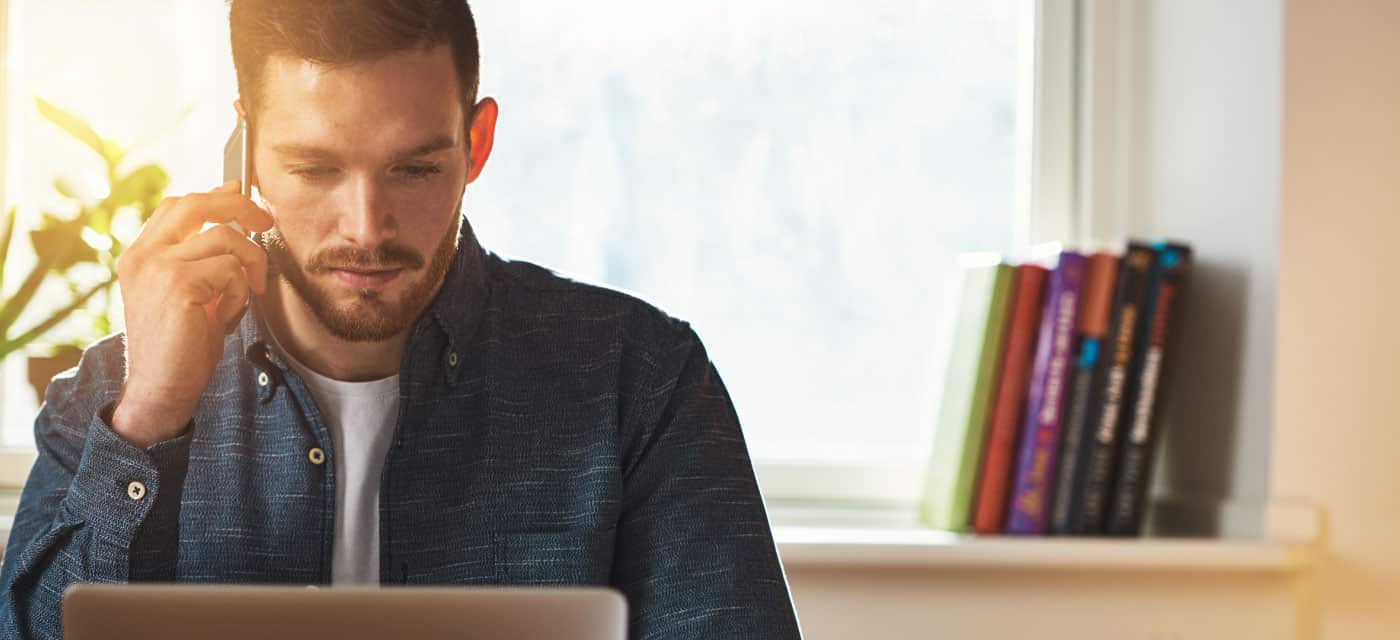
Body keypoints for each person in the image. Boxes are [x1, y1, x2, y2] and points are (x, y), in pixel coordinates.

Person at [0, 2, 802, 638]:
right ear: (244, 148)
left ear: (476, 143)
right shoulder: (114, 395)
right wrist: (150, 420)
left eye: (414, 168)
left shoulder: (639, 380)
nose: (367, 227)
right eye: (314, 168)